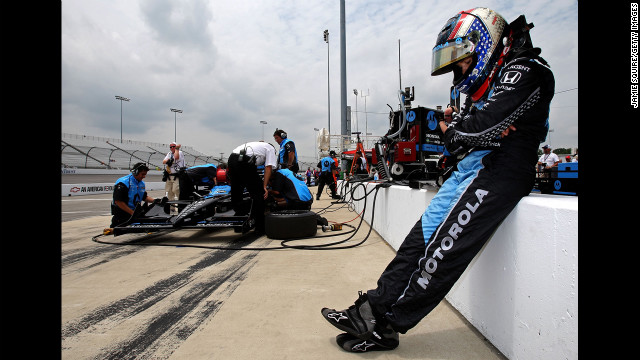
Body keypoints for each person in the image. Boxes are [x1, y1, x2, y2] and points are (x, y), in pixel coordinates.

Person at [321, 7, 555, 352]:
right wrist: (470, 130)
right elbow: (471, 134)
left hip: (500, 171)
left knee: (442, 250)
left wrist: (464, 129)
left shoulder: (528, 70)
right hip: (472, 170)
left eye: (459, 62)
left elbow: (477, 129)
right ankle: (370, 309)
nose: (458, 72)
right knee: (418, 242)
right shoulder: (495, 80)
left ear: (482, 45)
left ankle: (384, 324)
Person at [226, 141, 278, 233]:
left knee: (237, 191)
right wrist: (264, 186)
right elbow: (268, 167)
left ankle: (238, 221)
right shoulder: (270, 148)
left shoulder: (257, 146)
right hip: (244, 162)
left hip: (232, 159)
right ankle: (260, 227)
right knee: (259, 193)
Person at [110, 162, 157, 228]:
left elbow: (144, 197)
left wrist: (156, 201)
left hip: (135, 214)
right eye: (142, 174)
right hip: (123, 215)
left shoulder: (141, 183)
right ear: (136, 172)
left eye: (145, 174)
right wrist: (132, 213)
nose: (144, 176)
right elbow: (118, 202)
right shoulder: (123, 182)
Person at [162, 142, 185, 213]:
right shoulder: (169, 154)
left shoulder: (179, 152)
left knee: (176, 190)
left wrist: (177, 149)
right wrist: (169, 160)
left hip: (177, 176)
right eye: (171, 147)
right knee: (169, 192)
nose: (172, 148)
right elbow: (164, 161)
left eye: (174, 146)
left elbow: (176, 157)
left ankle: (180, 207)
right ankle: (172, 209)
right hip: (169, 176)